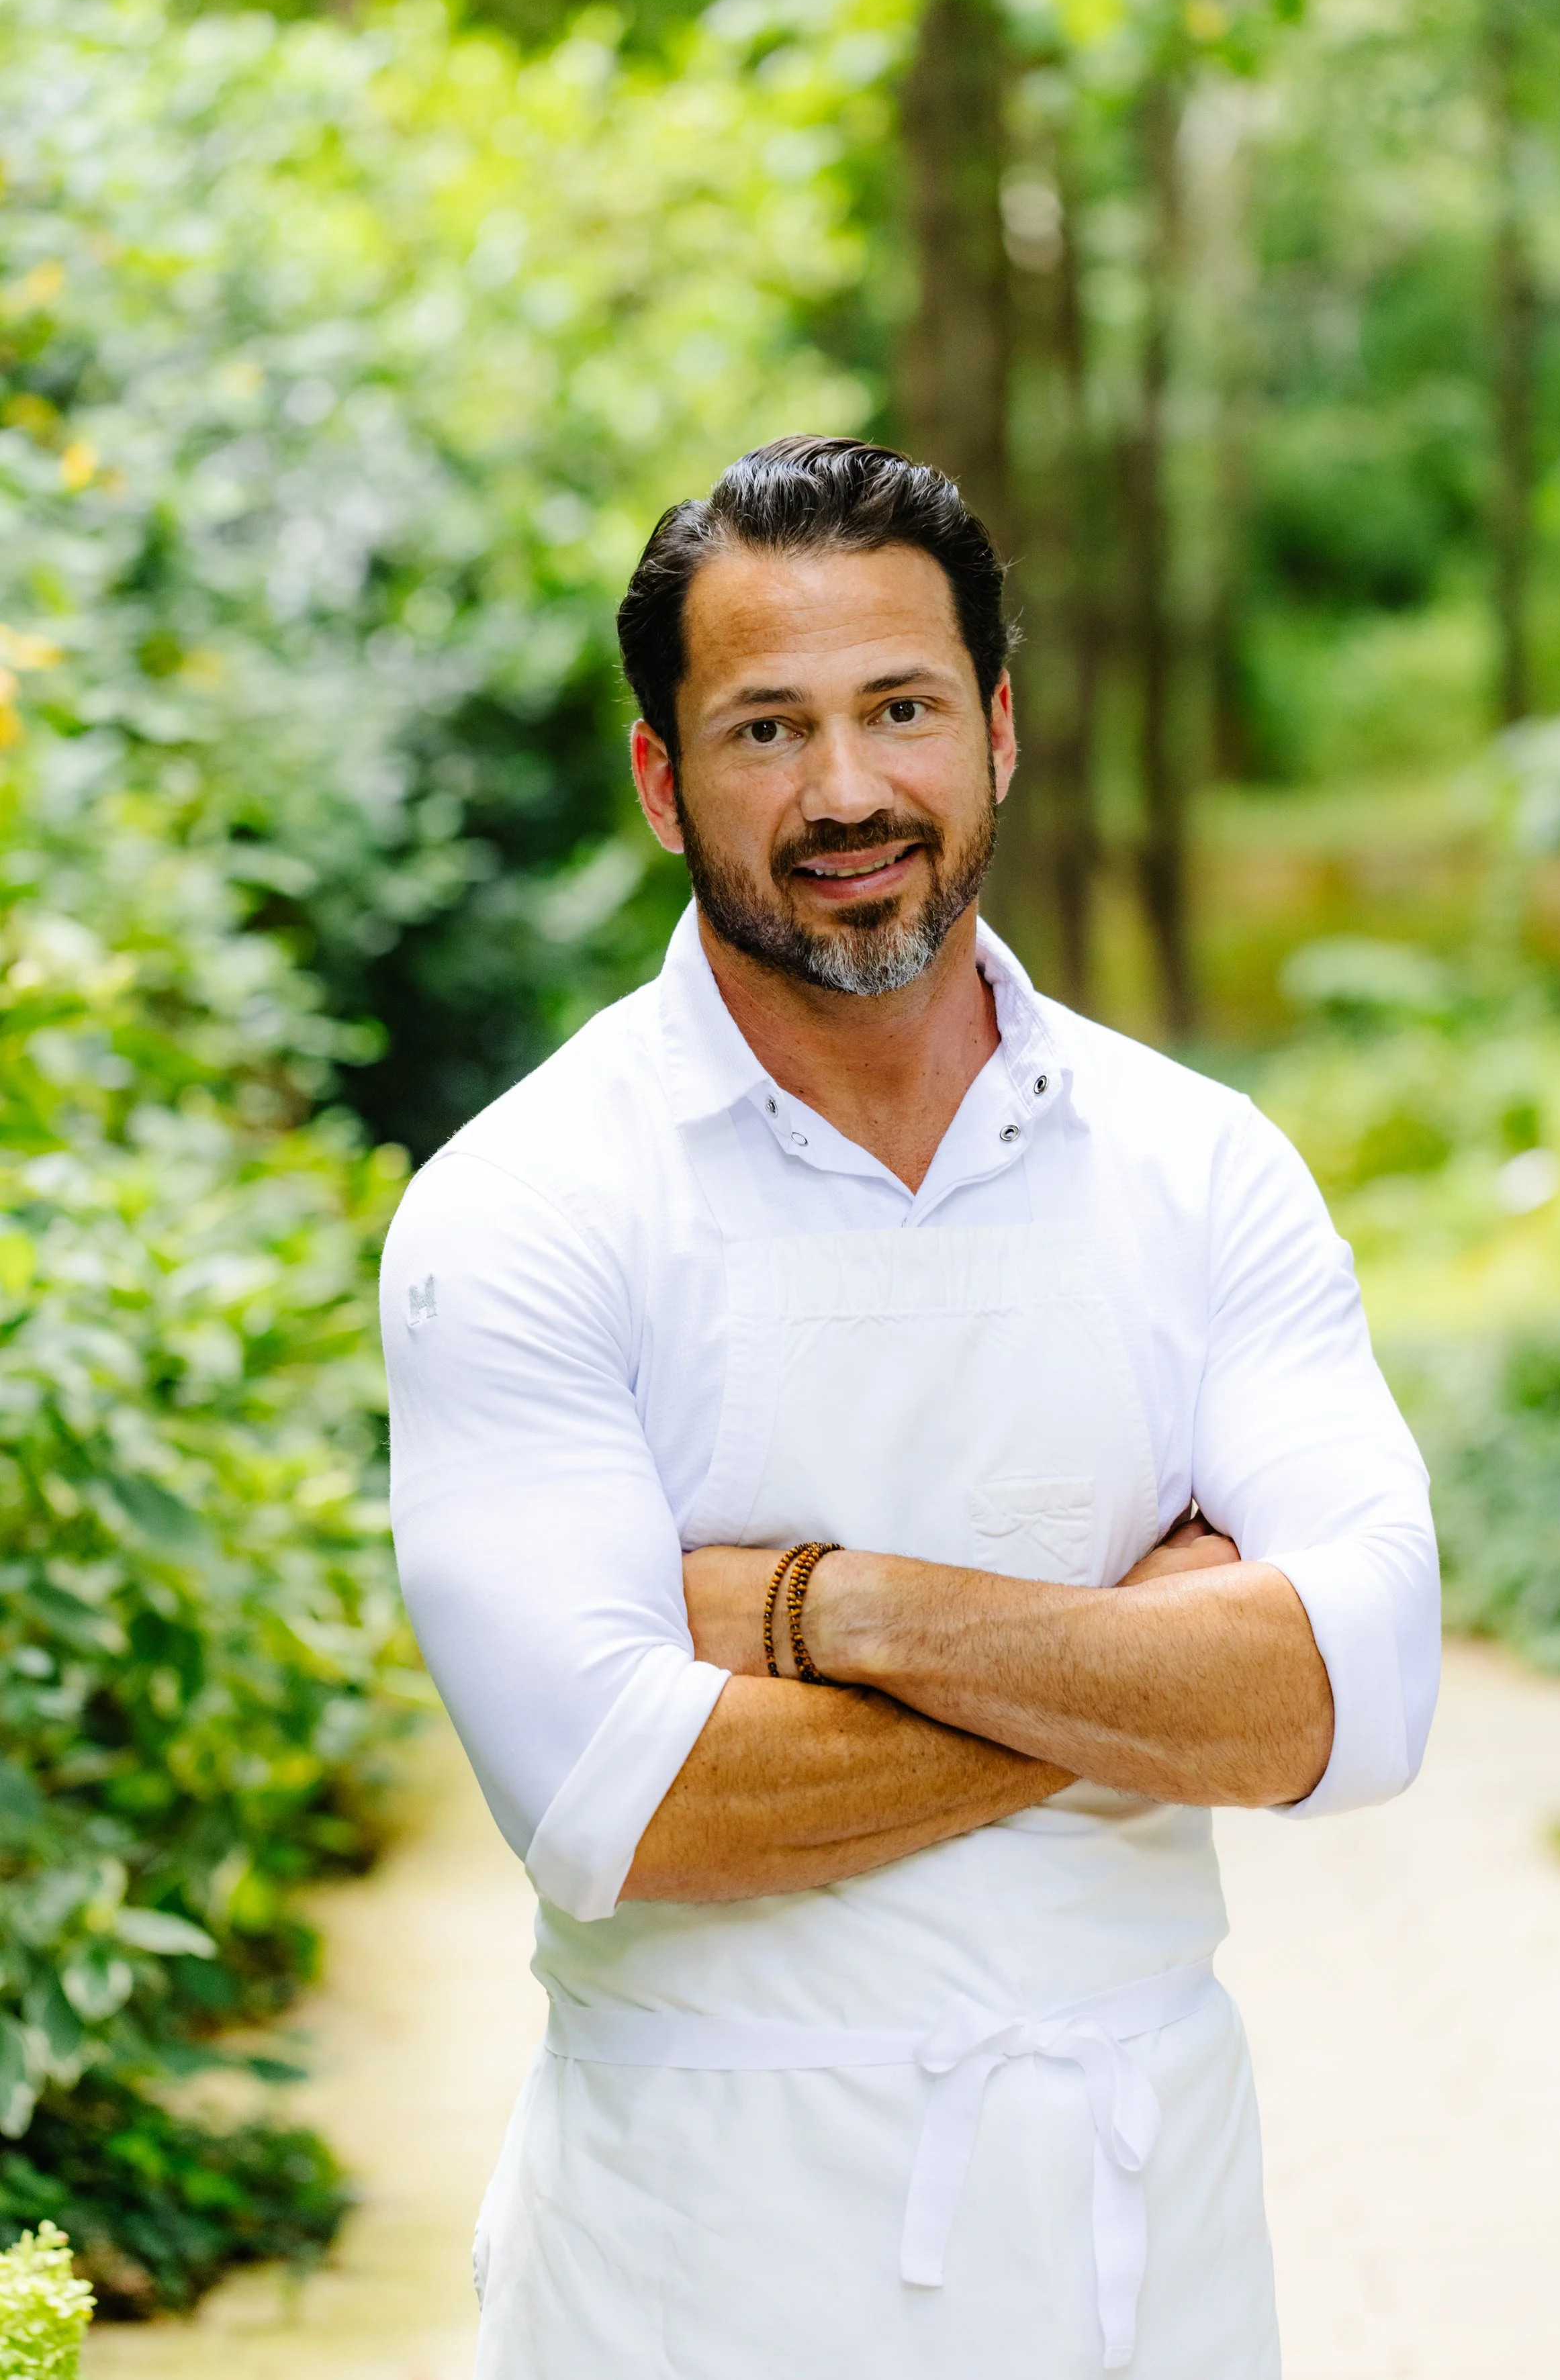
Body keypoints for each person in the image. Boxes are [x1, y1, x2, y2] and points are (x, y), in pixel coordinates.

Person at [379, 436, 1439, 2380]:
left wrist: (830, 1610)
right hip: (697, 2245)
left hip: (1146, 2234)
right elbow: (620, 1802)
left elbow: (1355, 1699)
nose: (846, 789)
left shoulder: (1202, 1167)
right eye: (765, 727)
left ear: (1000, 729)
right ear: (657, 778)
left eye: (900, 709)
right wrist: (1149, 1670)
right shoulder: (521, 1206)